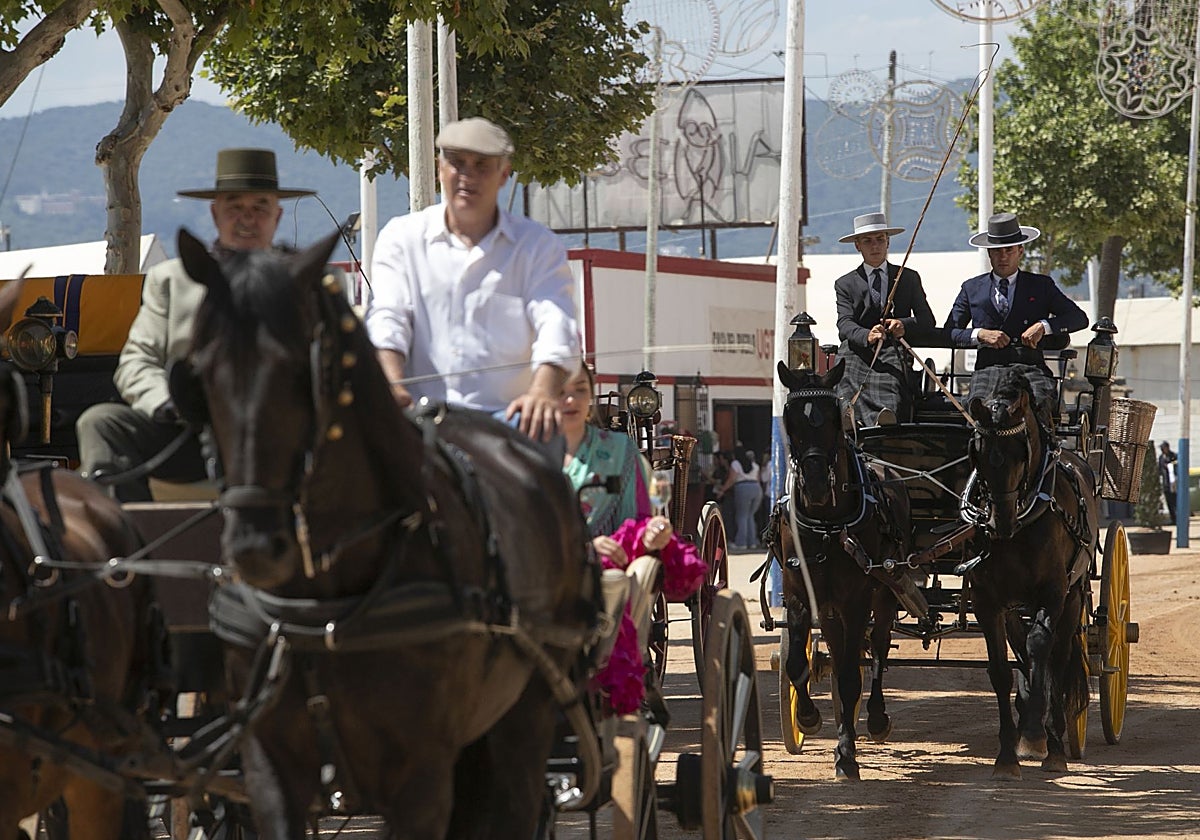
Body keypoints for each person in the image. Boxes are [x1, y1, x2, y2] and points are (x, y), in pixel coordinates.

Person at [76, 148, 315, 501]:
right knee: (101, 422)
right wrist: (172, 404)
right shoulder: (172, 279)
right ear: (215, 213)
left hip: (281, 435)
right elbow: (136, 361)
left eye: (260, 207)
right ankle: (133, 547)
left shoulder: (305, 281)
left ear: (277, 216)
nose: (247, 218)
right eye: (235, 207)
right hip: (189, 434)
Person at [365, 117, 579, 442]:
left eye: (482, 165)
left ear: (504, 174)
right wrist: (392, 388)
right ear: (439, 169)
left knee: (538, 484)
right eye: (457, 163)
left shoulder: (537, 245)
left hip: (510, 422)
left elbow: (556, 324)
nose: (467, 176)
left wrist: (542, 392)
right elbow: (388, 319)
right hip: (418, 420)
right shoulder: (401, 238)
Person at [559, 363, 705, 713]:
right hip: (539, 570)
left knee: (610, 583)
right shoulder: (521, 451)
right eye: (559, 388)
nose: (570, 399)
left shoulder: (620, 452)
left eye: (580, 389)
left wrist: (652, 533)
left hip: (605, 575)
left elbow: (638, 518)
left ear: (591, 396)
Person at [945, 212, 1089, 431]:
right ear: (989, 254)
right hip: (988, 369)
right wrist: (979, 334)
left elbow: (1079, 318)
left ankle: (1044, 456)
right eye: (997, 251)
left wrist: (1044, 326)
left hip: (1031, 368)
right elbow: (950, 332)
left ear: (1020, 251)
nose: (1003, 257)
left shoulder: (1041, 286)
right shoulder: (971, 288)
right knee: (978, 409)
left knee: (1040, 403)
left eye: (1009, 250)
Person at [834, 212, 936, 426]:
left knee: (893, 382)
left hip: (894, 350)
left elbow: (927, 320)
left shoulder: (908, 277)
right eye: (867, 241)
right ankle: (850, 419)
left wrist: (903, 325)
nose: (875, 246)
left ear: (888, 242)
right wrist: (866, 335)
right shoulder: (845, 284)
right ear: (857, 245)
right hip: (857, 352)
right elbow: (844, 324)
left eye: (880, 239)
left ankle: (885, 420)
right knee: (846, 380)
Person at [717, 446, 763, 550]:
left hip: (743, 487)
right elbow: (759, 479)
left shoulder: (735, 464)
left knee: (742, 516)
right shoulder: (754, 465)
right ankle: (752, 542)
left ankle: (741, 542)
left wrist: (722, 490)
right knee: (750, 516)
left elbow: (732, 479)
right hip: (756, 488)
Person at [1159, 441, 1178, 524]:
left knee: (1175, 501)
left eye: (1164, 448)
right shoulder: (1161, 458)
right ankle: (1173, 519)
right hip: (1166, 483)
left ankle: (1178, 518)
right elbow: (1159, 469)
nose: (1162, 450)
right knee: (1169, 502)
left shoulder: (1173, 456)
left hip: (1173, 483)